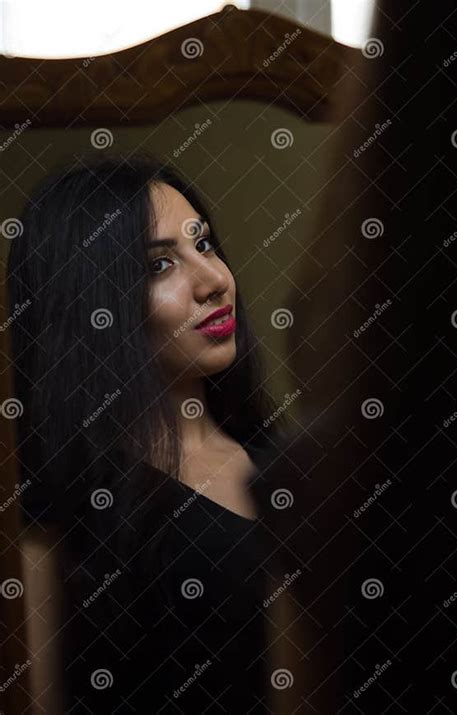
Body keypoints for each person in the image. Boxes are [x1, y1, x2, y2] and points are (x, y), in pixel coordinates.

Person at [7, 153, 287, 713]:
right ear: (93, 305)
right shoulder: (62, 509)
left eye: (203, 244)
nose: (213, 280)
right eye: (159, 265)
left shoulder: (279, 457)